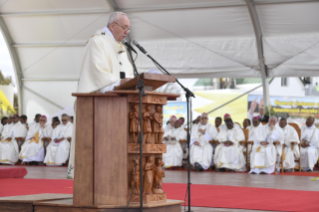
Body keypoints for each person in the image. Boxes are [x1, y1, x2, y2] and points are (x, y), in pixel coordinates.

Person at [68, 11, 134, 179]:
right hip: (99, 108)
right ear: (113, 25)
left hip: (120, 108)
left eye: (129, 28)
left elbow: (128, 77)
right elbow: (97, 76)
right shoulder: (97, 42)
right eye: (124, 28)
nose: (127, 32)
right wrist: (120, 83)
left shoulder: (121, 48)